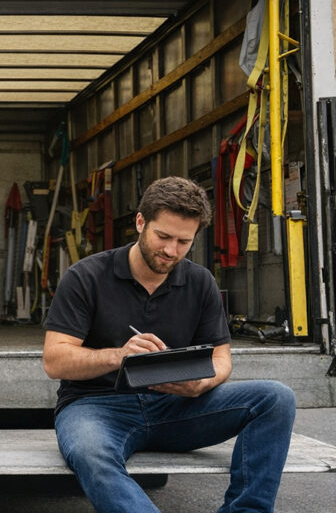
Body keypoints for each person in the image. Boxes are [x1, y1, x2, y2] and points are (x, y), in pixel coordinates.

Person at [43, 176, 296, 512]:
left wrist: (203, 382)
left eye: (183, 241)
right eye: (163, 236)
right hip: (96, 407)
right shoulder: (85, 277)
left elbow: (222, 359)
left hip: (176, 408)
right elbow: (55, 360)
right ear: (140, 222)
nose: (170, 250)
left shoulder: (200, 281)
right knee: (91, 454)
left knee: (277, 398)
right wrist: (120, 356)